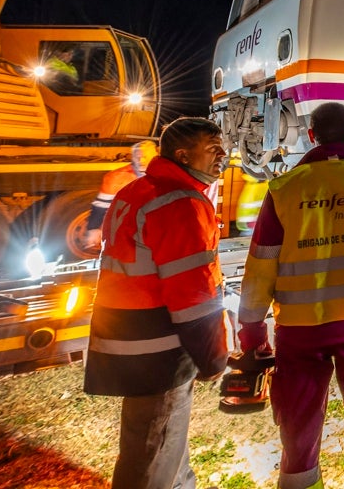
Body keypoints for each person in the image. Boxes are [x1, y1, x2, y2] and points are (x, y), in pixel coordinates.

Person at [236, 102, 344, 489]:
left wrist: (251, 329)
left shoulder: (283, 188)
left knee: (298, 426)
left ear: (310, 135)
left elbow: (260, 265)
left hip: (299, 329)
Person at [84, 116, 230, 489]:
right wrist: (213, 359)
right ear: (183, 155)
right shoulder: (180, 203)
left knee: (152, 443)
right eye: (213, 149)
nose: (223, 156)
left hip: (128, 333)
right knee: (154, 451)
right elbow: (193, 298)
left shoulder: (138, 190)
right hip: (160, 347)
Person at [82, 139, 158, 252]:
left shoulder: (165, 173)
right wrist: (93, 229)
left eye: (146, 157)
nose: (141, 160)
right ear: (132, 157)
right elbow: (101, 206)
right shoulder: (116, 177)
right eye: (137, 157)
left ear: (156, 156)